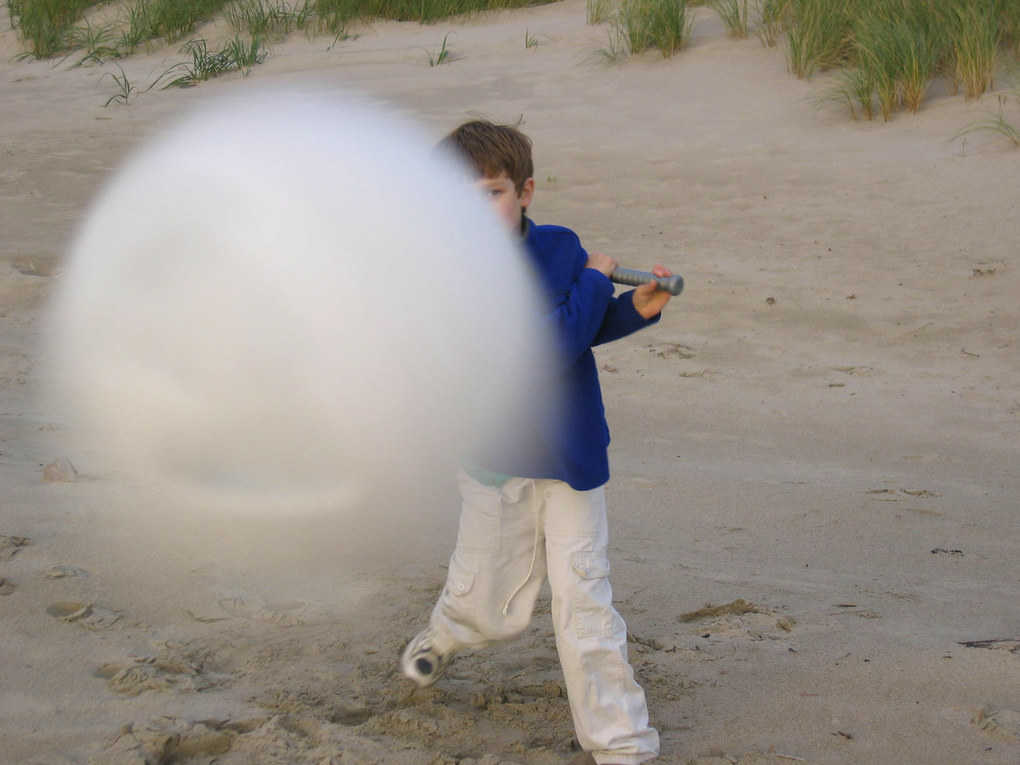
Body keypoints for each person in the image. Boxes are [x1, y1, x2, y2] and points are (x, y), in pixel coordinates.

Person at [401, 120, 674, 765]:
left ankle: (621, 744)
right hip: (496, 461)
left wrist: (635, 305)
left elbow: (581, 327)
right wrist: (595, 281)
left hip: (570, 455)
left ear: (525, 192)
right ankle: (442, 636)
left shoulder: (561, 249)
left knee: (585, 598)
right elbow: (543, 346)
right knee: (485, 590)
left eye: (491, 193)